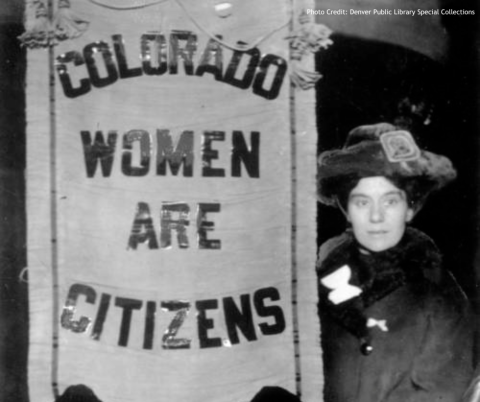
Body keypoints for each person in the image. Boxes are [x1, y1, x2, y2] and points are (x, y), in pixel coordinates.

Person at [315, 122, 474, 402]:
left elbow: (441, 389)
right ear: (346, 210)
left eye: (390, 202)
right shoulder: (318, 283)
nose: (376, 217)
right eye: (362, 203)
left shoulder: (438, 295)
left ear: (410, 208)